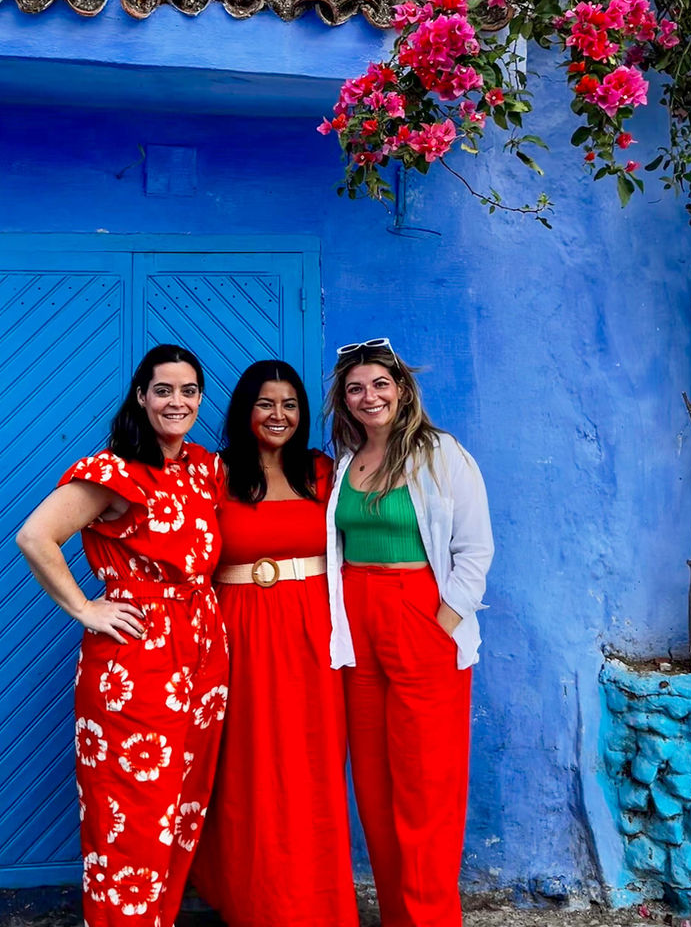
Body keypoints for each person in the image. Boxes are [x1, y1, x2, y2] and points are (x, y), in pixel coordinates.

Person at [16, 344, 228, 927]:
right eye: (163, 390)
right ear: (141, 396)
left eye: (188, 391)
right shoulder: (114, 471)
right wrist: (85, 608)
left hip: (203, 660)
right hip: (137, 665)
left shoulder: (204, 470)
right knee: (130, 813)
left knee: (182, 807)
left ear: (200, 399)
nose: (176, 401)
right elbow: (35, 536)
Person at [325, 339, 493, 927]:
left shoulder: (442, 454)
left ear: (401, 389)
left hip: (419, 615)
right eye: (355, 388)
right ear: (343, 401)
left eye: (379, 384)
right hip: (357, 626)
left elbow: (475, 549)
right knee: (373, 785)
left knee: (427, 785)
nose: (368, 397)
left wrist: (440, 625)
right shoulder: (345, 464)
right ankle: (399, 915)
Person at [192, 360, 359, 927]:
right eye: (267, 403)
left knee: (313, 764)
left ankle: (316, 904)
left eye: (290, 404)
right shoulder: (215, 474)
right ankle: (255, 903)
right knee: (249, 769)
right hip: (239, 630)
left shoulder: (322, 472)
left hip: (314, 630)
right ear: (246, 410)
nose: (279, 414)